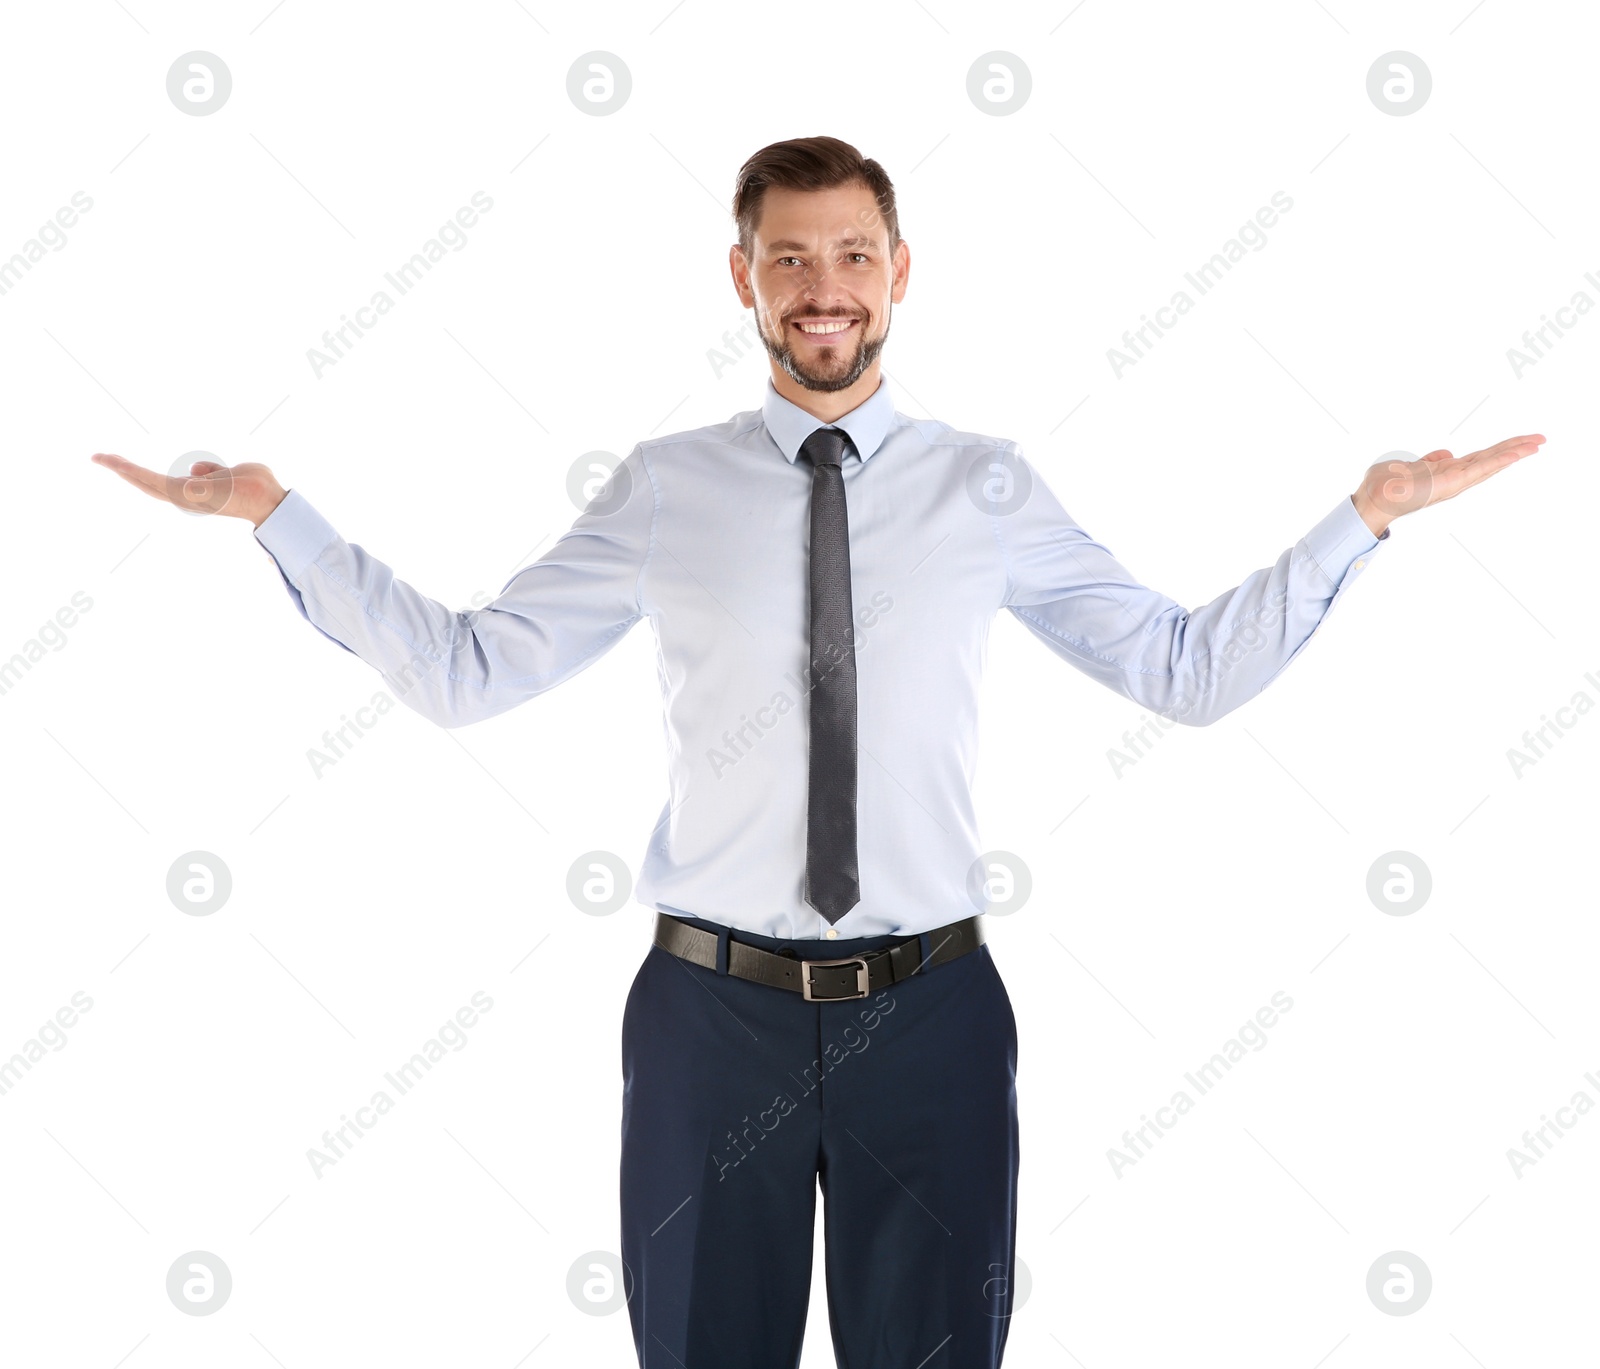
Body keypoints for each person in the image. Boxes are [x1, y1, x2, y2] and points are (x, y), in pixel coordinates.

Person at [93, 135, 1544, 1369]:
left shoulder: (987, 485)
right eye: (791, 259)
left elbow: (1180, 668)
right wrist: (280, 515)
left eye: (852, 254)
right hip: (709, 1018)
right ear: (746, 278)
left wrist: (1365, 515)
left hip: (934, 1012)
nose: (824, 290)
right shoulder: (668, 488)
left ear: (901, 270)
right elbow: (476, 671)